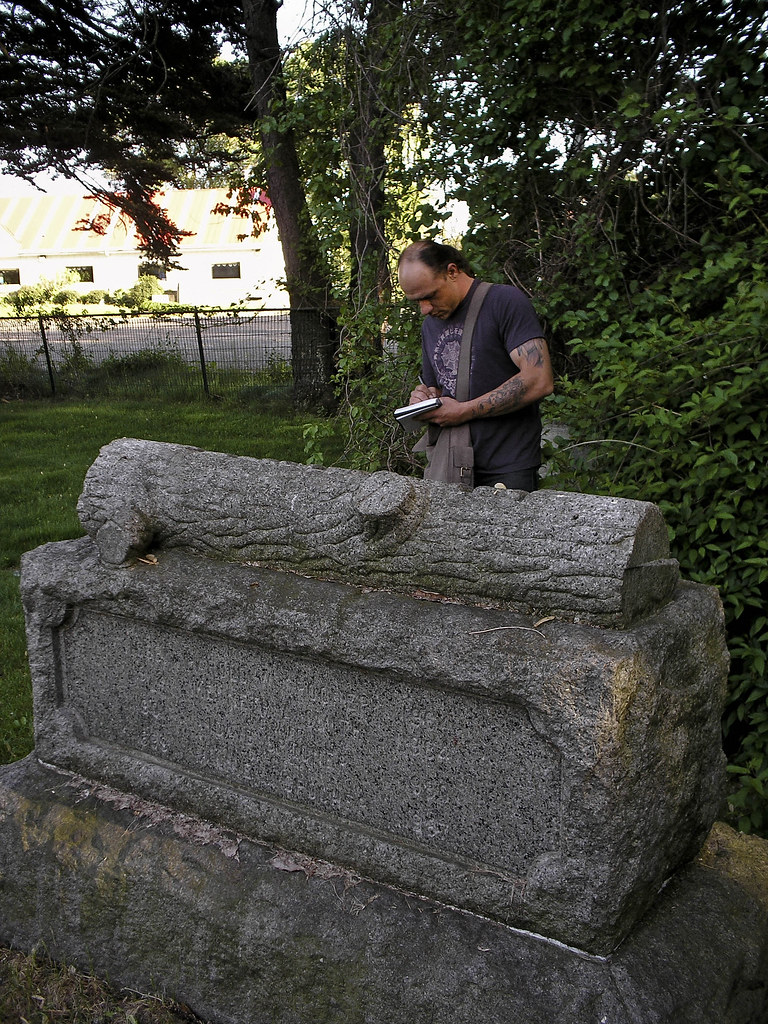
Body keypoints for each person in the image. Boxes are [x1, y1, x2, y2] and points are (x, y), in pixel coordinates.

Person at [398, 239, 554, 491]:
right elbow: (440, 389)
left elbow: (539, 379)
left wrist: (464, 410)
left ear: (452, 271)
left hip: (508, 467)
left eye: (430, 297)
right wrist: (424, 398)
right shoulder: (430, 325)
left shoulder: (504, 301)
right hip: (450, 464)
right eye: (417, 301)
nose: (424, 309)